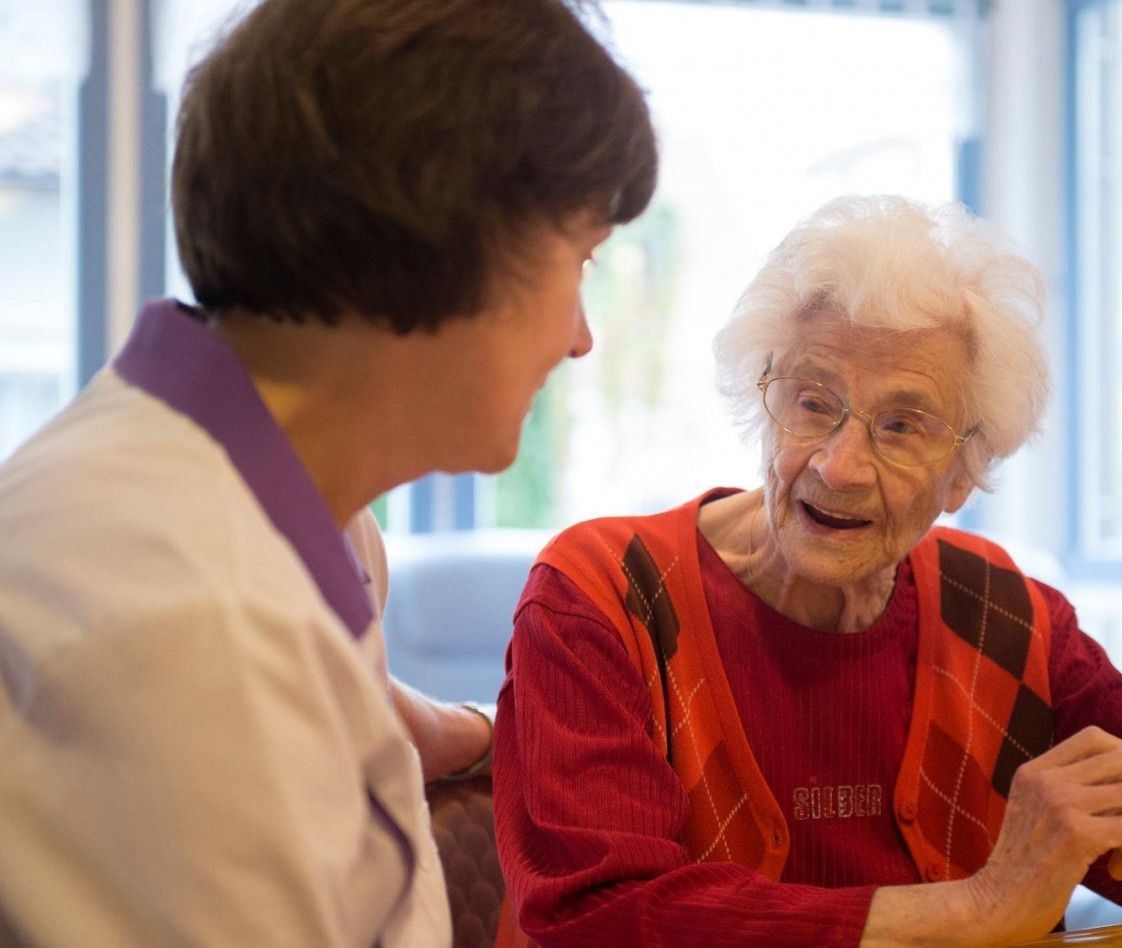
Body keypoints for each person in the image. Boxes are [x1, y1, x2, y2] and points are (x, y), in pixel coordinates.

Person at [0, 0, 655, 943]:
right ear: (442, 238)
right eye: (582, 259)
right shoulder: (189, 623)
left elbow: (336, 719)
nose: (581, 338)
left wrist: (477, 731)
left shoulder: (291, 505)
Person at [492, 195, 1122, 946]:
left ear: (964, 474)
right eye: (813, 402)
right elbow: (600, 916)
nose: (839, 466)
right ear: (762, 398)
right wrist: (980, 907)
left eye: (902, 425)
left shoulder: (1005, 619)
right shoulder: (604, 598)